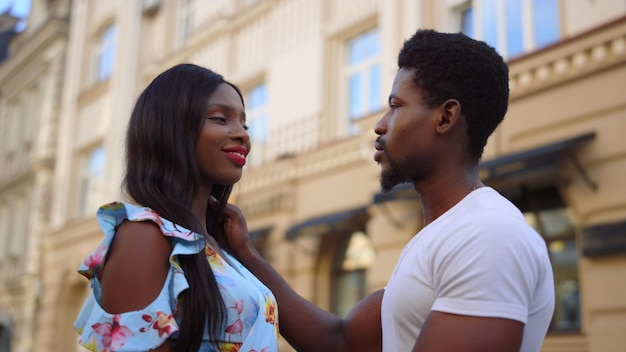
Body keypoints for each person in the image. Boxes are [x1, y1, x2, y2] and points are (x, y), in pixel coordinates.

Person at [219, 29, 555, 352]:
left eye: (396, 106)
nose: (380, 124)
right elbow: (340, 342)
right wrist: (243, 251)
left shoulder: (486, 234)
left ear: (446, 116)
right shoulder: (449, 233)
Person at [74, 63, 279, 352]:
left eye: (244, 124)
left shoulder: (218, 248)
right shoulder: (144, 236)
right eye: (221, 119)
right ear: (169, 128)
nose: (243, 134)